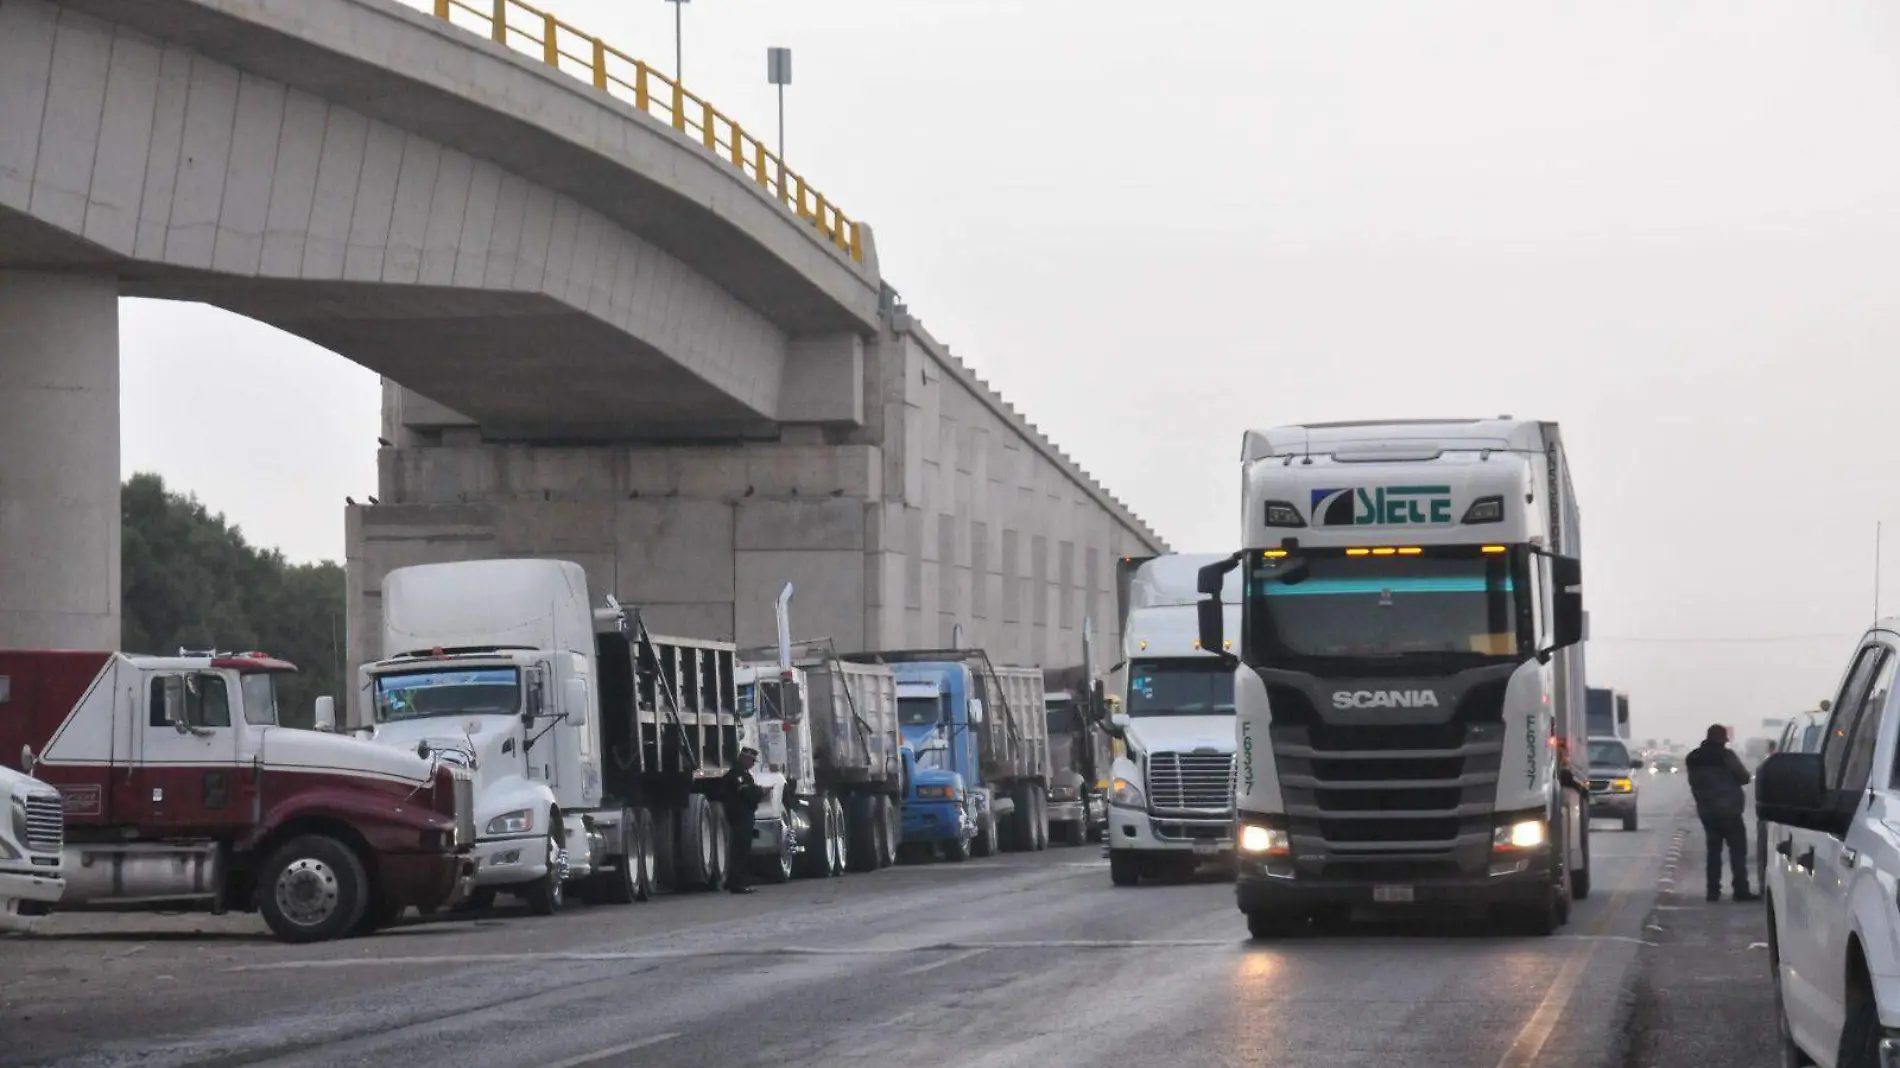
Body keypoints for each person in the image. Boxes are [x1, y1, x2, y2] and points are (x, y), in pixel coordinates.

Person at [1686, 724, 1757, 902]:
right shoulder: (1726, 756)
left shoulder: (1693, 758)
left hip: (1707, 811)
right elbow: (1744, 777)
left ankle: (1713, 891)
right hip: (1730, 811)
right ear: (1722, 739)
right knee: (1737, 852)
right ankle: (1740, 890)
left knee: (1713, 852)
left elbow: (1694, 783)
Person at [720, 747, 767, 894]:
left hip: (744, 815)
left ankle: (733, 880)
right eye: (751, 760)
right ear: (744, 759)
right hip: (740, 815)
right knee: (740, 849)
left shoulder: (744, 774)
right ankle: (737, 882)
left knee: (742, 848)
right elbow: (747, 793)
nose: (752, 764)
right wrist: (761, 791)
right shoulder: (737, 774)